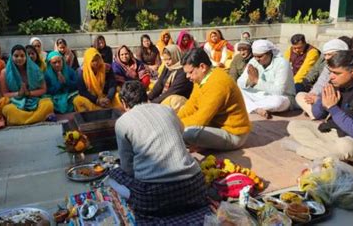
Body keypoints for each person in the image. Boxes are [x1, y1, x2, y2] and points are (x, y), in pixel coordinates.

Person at [107, 81, 209, 224]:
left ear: (123, 103)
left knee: (113, 175)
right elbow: (181, 132)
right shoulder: (167, 110)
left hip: (153, 199)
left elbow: (127, 167)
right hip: (194, 187)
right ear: (146, 95)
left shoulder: (123, 122)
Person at [284, 50, 353, 162]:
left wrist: (332, 108)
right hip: (333, 133)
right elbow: (317, 114)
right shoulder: (335, 83)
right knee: (294, 125)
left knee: (345, 147)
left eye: (336, 73)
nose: (331, 77)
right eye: (330, 72)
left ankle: (300, 148)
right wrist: (323, 101)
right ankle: (325, 151)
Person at [177, 49, 251, 150]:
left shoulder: (218, 83)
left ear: (202, 67)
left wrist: (174, 126)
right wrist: (174, 120)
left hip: (233, 134)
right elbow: (191, 106)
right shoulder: (200, 79)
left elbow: (201, 119)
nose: (187, 76)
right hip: (215, 126)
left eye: (190, 72)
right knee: (177, 120)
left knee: (188, 134)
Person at [237, 40, 296, 119]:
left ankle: (248, 106)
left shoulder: (282, 63)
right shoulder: (253, 61)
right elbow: (239, 82)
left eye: (260, 56)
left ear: (269, 53)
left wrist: (256, 81)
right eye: (255, 56)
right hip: (259, 95)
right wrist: (249, 82)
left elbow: (279, 91)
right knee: (236, 90)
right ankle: (256, 108)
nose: (257, 59)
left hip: (282, 97)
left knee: (277, 102)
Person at [0, 45, 54, 125]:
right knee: (8, 109)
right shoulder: (4, 73)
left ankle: (22, 120)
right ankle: (38, 118)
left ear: (26, 57)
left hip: (34, 99)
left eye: (22, 56)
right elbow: (4, 94)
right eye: (16, 56)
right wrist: (18, 93)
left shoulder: (36, 70)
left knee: (48, 104)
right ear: (11, 57)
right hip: (15, 101)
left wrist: (29, 93)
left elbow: (43, 89)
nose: (19, 58)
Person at [295, 39, 349, 119]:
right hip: (323, 98)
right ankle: (316, 113)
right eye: (325, 55)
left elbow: (339, 92)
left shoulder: (348, 68)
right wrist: (312, 95)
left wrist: (318, 99)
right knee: (300, 95)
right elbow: (321, 82)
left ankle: (319, 113)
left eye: (330, 54)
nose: (326, 58)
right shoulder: (327, 66)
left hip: (336, 101)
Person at [73, 48, 120, 112]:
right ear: (87, 61)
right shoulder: (81, 72)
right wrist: (97, 100)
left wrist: (108, 98)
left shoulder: (107, 68)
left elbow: (112, 85)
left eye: (97, 59)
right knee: (77, 101)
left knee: (118, 94)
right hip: (91, 99)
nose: (96, 63)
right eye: (92, 61)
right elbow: (82, 91)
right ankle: (96, 112)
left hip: (106, 97)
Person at [147, 44, 193, 112]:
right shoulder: (168, 67)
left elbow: (171, 92)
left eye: (169, 59)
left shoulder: (183, 71)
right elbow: (159, 84)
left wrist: (152, 103)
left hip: (177, 102)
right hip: (165, 98)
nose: (167, 62)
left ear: (175, 56)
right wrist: (148, 98)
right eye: (165, 59)